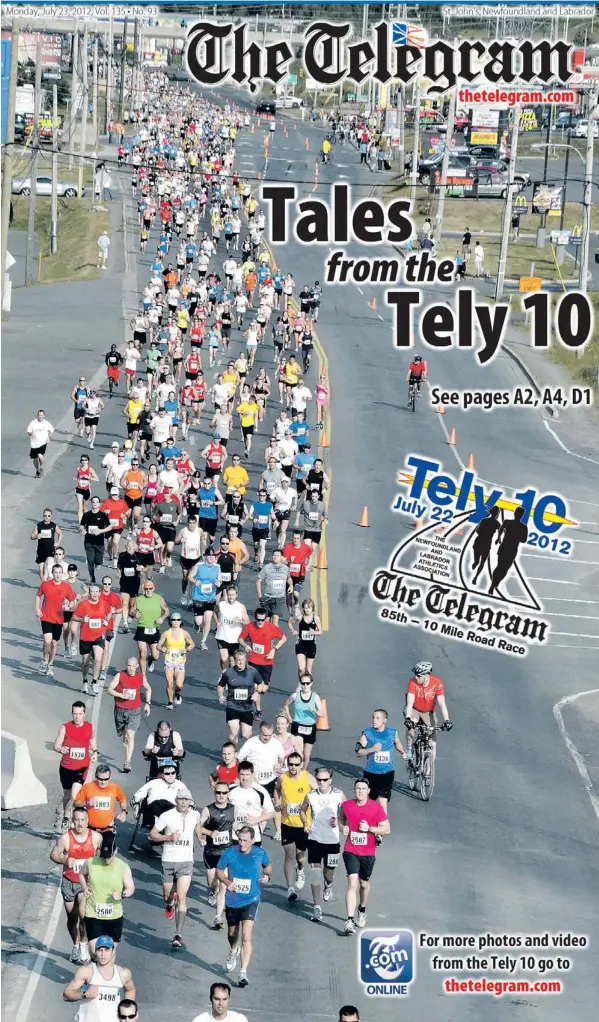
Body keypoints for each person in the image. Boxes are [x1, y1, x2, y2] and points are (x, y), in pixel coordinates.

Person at [215, 826, 272, 987]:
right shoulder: (230, 853)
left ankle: (243, 972)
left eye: (245, 840)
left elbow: (268, 867)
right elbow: (219, 871)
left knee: (246, 936)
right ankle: (233, 950)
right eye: (240, 839)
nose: (242, 843)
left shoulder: (259, 853)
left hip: (251, 899)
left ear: (252, 841)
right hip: (232, 900)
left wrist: (267, 876)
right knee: (232, 934)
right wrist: (227, 882)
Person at [149, 788, 203, 949]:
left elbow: (198, 825)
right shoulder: (167, 816)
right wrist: (168, 837)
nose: (183, 802)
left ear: (190, 802)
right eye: (180, 799)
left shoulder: (195, 815)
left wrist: (200, 838)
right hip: (168, 860)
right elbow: (152, 834)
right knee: (168, 896)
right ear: (176, 800)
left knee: (182, 896)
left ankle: (178, 935)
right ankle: (170, 903)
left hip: (186, 861)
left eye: (186, 799)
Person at [50, 805, 102, 963]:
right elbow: (53, 854)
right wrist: (64, 860)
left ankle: (84, 945)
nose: (80, 824)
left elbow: (103, 856)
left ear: (88, 821)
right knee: (72, 917)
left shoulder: (96, 838)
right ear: (73, 821)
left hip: (85, 883)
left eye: (83, 820)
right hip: (69, 881)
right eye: (77, 820)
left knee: (83, 915)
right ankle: (75, 945)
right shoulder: (66, 838)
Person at [339, 778, 390, 933]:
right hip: (350, 850)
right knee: (352, 883)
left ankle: (362, 909)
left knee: (364, 884)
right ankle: (349, 920)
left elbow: (387, 829)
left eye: (363, 789)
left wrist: (370, 829)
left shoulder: (375, 808)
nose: (360, 791)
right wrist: (343, 827)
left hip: (368, 852)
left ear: (368, 791)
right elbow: (341, 818)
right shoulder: (347, 805)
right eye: (357, 788)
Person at [300, 766, 346, 922]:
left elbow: (347, 813)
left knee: (328, 873)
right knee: (315, 873)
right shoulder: (310, 795)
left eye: (324, 780)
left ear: (330, 780)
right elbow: (302, 810)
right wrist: (305, 823)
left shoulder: (339, 795)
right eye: (319, 779)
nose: (321, 782)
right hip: (315, 839)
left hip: (332, 841)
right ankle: (317, 907)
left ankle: (329, 884)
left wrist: (339, 821)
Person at [79, 830, 135, 954]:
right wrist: (84, 887)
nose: (106, 860)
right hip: (93, 913)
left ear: (116, 851)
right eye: (104, 856)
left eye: (109, 856)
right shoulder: (91, 862)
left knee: (109, 953)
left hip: (113, 916)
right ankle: (96, 969)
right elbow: (82, 874)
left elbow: (130, 888)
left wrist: (122, 895)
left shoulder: (123, 867)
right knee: (95, 952)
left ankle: (106, 972)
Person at [277, 752, 317, 903]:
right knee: (289, 854)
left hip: (304, 824)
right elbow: (277, 789)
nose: (293, 767)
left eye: (296, 764)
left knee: (301, 857)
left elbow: (319, 793)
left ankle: (300, 869)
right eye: (290, 764)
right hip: (287, 823)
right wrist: (278, 802)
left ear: (301, 765)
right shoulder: (283, 777)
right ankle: (290, 888)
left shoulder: (307, 778)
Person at [63, 935, 135, 1013]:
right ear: (95, 951)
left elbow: (130, 990)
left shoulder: (123, 974)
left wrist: (128, 1010)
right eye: (100, 950)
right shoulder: (86, 972)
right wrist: (84, 994)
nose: (103, 954)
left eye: (107, 950)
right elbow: (67, 993)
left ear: (113, 951)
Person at [54, 700, 97, 830]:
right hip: (66, 767)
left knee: (75, 795)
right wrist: (60, 749)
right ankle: (66, 814)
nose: (77, 717)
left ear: (84, 713)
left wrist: (95, 751)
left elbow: (92, 740)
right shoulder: (65, 727)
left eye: (79, 714)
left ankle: (75, 821)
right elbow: (56, 745)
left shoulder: (90, 727)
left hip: (82, 767)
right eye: (74, 714)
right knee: (67, 795)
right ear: (72, 714)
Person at [356, 709, 406, 817]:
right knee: (370, 802)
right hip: (371, 773)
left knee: (382, 802)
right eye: (373, 717)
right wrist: (371, 749)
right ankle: (369, 826)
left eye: (378, 718)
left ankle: (381, 829)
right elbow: (358, 751)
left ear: (384, 720)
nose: (374, 720)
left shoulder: (392, 732)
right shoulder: (367, 733)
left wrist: (402, 752)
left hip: (387, 773)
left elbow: (397, 743)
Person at [106, 657, 152, 772]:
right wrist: (121, 695)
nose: (130, 668)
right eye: (129, 666)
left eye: (133, 666)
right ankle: (124, 736)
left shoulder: (140, 677)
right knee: (123, 734)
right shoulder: (120, 675)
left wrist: (147, 703)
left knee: (131, 735)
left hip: (134, 711)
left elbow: (148, 688)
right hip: (120, 710)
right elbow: (109, 690)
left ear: (137, 666)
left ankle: (127, 762)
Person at [200, 783, 235, 929]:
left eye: (224, 793)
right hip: (211, 851)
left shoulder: (233, 809)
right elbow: (198, 826)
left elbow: (237, 824)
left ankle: (218, 916)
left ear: (228, 794)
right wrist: (207, 834)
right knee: (212, 883)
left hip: (226, 851)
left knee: (223, 884)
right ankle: (211, 891)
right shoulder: (208, 810)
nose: (221, 795)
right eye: (218, 793)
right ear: (215, 793)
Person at [404, 661, 452, 759]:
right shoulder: (413, 682)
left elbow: (442, 704)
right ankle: (409, 749)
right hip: (415, 709)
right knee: (411, 728)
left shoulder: (436, 683)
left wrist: (447, 720)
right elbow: (409, 703)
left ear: (426, 675)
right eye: (415, 675)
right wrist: (408, 718)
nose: (416, 677)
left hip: (428, 712)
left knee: (433, 744)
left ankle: (429, 771)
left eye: (418, 675)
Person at [36, 563, 76, 677]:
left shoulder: (66, 587)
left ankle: (51, 664)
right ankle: (44, 660)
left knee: (54, 643)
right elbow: (38, 595)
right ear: (52, 573)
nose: (57, 575)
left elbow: (72, 600)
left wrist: (68, 606)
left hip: (58, 619)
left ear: (62, 574)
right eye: (55, 572)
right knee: (47, 640)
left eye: (59, 573)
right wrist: (37, 609)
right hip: (46, 616)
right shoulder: (45, 584)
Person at [217, 648, 260, 745]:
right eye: (238, 660)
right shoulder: (228, 673)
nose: (240, 662)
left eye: (242, 660)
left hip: (247, 707)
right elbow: (220, 686)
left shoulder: (253, 672)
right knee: (233, 732)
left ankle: (243, 731)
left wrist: (256, 692)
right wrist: (220, 696)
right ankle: (234, 751)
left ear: (246, 660)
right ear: (234, 660)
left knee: (246, 735)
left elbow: (260, 683)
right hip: (232, 705)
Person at [284, 674, 325, 768]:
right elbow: (286, 704)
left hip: (310, 727)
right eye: (303, 683)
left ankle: (303, 772)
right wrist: (289, 717)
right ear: (300, 684)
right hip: (298, 726)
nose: (305, 686)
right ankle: (296, 772)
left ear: (311, 684)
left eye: (307, 683)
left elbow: (322, 714)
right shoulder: (295, 696)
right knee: (299, 753)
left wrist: (314, 710)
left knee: (306, 756)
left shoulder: (315, 697)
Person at [156, 611, 195, 709]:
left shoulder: (184, 633)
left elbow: (192, 644)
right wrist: (162, 649)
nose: (176, 622)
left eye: (178, 620)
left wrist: (186, 649)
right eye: (174, 620)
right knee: (169, 683)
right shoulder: (166, 633)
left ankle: (177, 692)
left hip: (180, 661)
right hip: (169, 660)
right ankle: (170, 702)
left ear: (181, 621)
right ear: (171, 621)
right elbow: (158, 645)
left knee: (179, 684)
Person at [75, 764, 127, 833]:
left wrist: (124, 811)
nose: (103, 782)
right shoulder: (88, 787)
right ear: (96, 776)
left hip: (108, 829)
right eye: (100, 779)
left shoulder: (114, 787)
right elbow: (76, 803)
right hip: (90, 829)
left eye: (106, 779)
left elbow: (122, 798)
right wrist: (87, 803)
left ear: (110, 777)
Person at [31, 509, 63, 581]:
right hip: (41, 550)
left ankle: (49, 582)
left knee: (49, 567)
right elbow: (32, 536)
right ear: (43, 516)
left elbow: (60, 533)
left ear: (51, 516)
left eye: (48, 516)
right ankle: (44, 583)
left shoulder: (53, 525)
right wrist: (36, 536)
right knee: (41, 570)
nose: (47, 517)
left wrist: (58, 542)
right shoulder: (39, 525)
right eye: (45, 516)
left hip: (50, 550)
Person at [27, 409, 54, 477]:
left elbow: (52, 430)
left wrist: (49, 436)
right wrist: (31, 434)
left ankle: (41, 467)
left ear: (44, 416)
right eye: (39, 415)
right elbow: (29, 431)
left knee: (40, 456)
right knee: (35, 459)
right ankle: (37, 470)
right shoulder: (33, 423)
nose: (40, 416)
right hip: (34, 444)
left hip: (43, 443)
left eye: (41, 415)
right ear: (37, 415)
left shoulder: (46, 423)